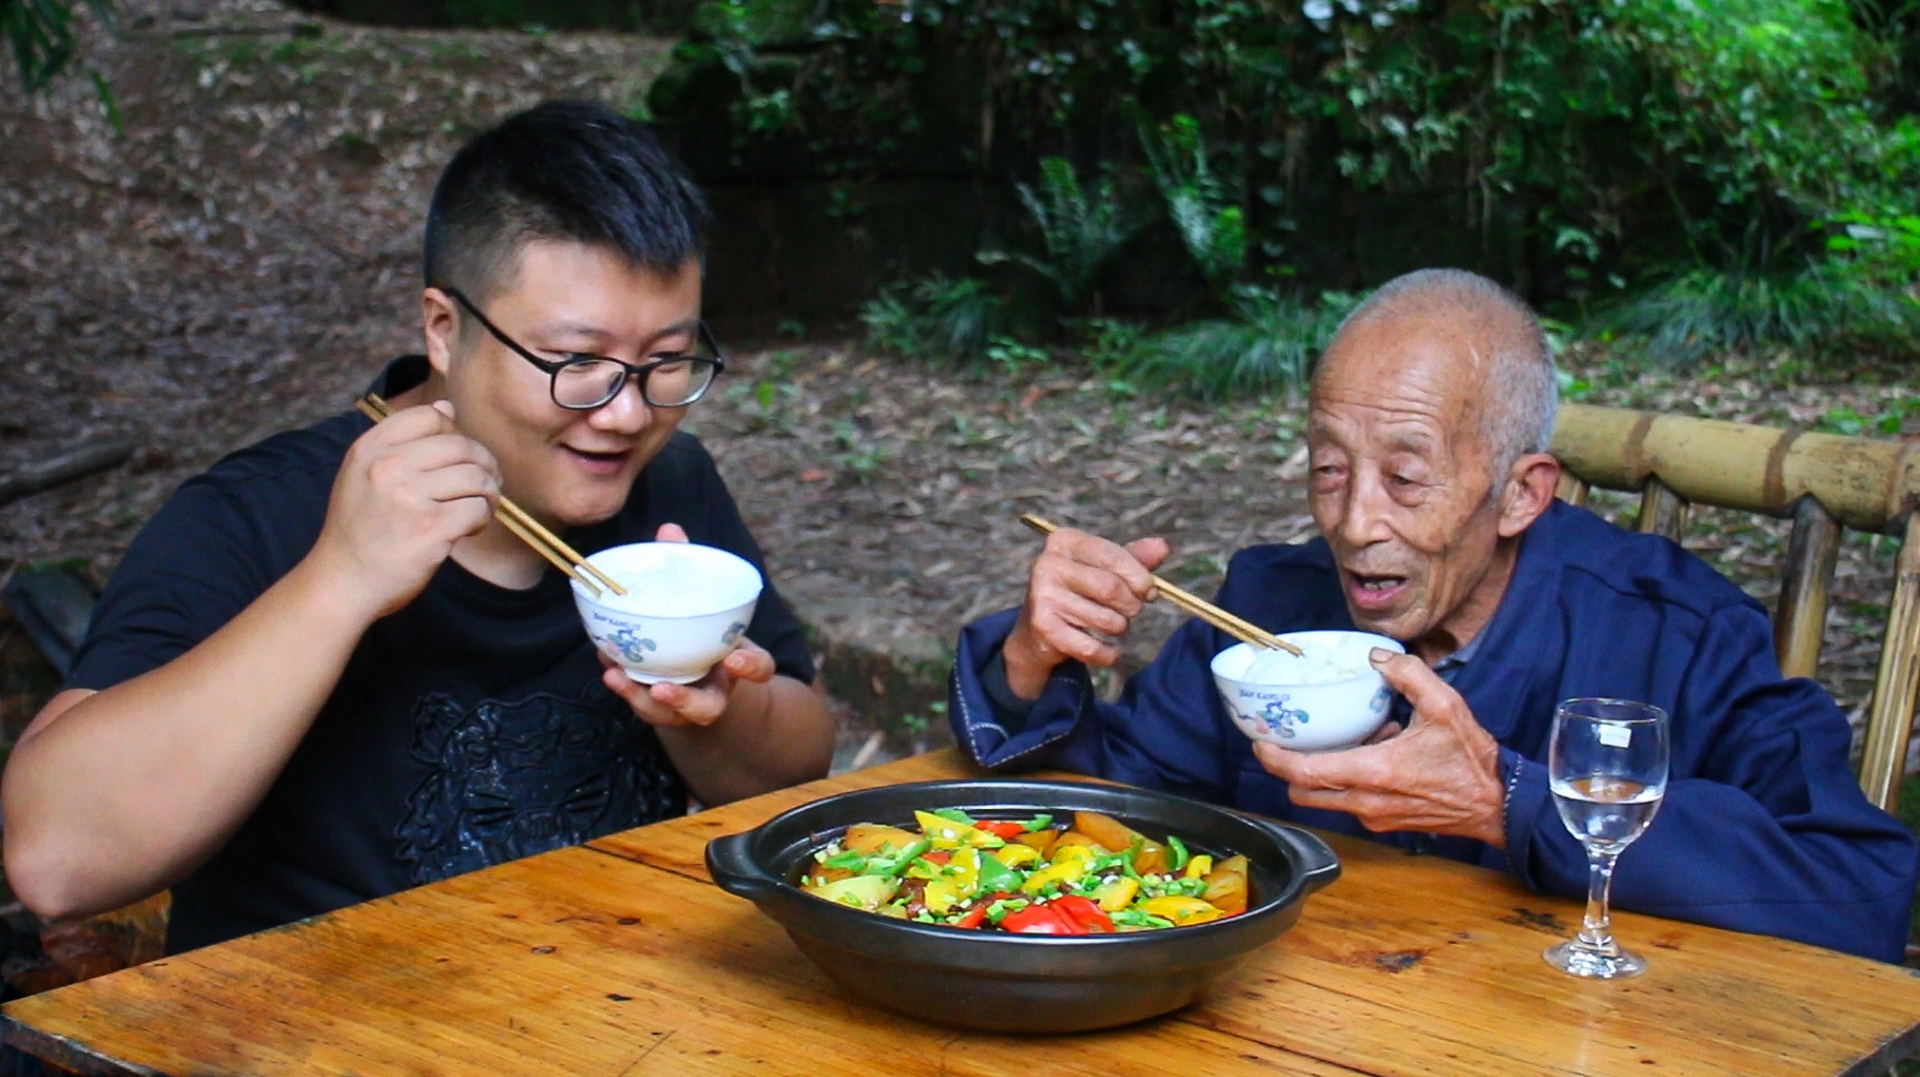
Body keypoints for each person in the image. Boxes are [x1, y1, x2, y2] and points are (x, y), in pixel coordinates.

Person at [1, 100, 836, 952]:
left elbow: (800, 766)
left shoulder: (672, 485)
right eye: (577, 363)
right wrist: (341, 580)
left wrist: (715, 711)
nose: (624, 414)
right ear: (443, 328)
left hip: (603, 1006)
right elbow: (57, 863)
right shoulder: (258, 514)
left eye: (665, 361)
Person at [948, 268, 1919, 963]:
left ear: (1520, 495)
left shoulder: (1673, 634)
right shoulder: (1270, 613)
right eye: (1329, 469)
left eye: (1406, 478)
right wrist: (1032, 660)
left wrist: (1515, 802)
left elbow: (1858, 887)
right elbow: (1114, 807)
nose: (1354, 521)